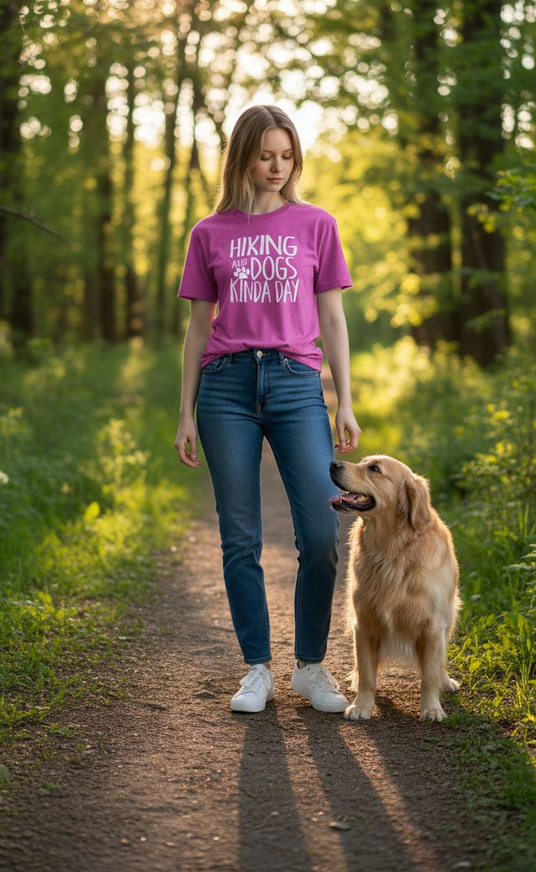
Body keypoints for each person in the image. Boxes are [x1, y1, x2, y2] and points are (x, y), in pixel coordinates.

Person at [174, 103, 361, 714]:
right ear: (243, 159)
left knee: (322, 532)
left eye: (287, 156)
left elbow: (332, 317)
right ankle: (256, 667)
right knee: (240, 537)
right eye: (265, 156)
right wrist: (185, 412)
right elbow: (197, 328)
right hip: (225, 388)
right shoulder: (209, 233)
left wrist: (345, 400)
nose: (277, 167)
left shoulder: (317, 225)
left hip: (296, 384)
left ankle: (310, 666)